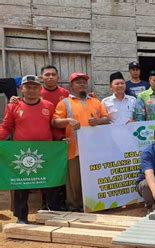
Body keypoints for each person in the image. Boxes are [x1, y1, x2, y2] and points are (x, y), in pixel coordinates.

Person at [0, 75, 61, 223]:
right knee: (21, 186)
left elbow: (53, 126)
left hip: (46, 151)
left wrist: (60, 139)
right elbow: (6, 127)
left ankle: (52, 213)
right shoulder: (13, 106)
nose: (31, 90)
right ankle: (21, 217)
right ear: (22, 89)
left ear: (40, 89)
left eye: (35, 87)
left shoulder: (48, 105)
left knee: (50, 183)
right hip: (21, 152)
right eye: (28, 87)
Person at [52, 72, 109, 211]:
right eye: (78, 82)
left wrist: (98, 121)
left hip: (94, 149)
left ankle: (95, 205)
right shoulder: (65, 103)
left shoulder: (95, 101)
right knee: (74, 181)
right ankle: (75, 207)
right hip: (74, 148)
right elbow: (55, 122)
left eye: (84, 82)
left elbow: (106, 118)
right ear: (71, 85)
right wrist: (68, 121)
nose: (82, 84)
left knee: (94, 179)